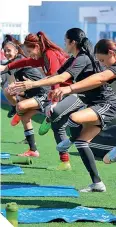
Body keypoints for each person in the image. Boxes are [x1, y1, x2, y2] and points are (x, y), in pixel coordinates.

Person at [48, 38, 116, 212]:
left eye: (102, 60)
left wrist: (69, 89)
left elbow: (101, 77)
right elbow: (95, 82)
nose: (103, 65)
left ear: (111, 53)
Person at [8, 28, 116, 192]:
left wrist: (32, 84)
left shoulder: (82, 58)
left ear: (72, 42)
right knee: (82, 142)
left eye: (65, 40)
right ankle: (97, 183)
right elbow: (55, 76)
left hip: (106, 104)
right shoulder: (74, 59)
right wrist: (31, 84)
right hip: (90, 102)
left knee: (73, 118)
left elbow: (61, 79)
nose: (64, 43)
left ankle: (71, 140)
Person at [0, 31, 79, 162]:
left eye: (30, 52)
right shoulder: (43, 56)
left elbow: (55, 78)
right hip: (57, 92)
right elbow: (26, 62)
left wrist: (54, 102)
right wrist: (6, 67)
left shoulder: (50, 54)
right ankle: (33, 150)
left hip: (65, 93)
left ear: (36, 47)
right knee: (25, 115)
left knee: (56, 121)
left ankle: (64, 159)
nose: (30, 55)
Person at [1, 34, 51, 156]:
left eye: (9, 50)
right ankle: (33, 150)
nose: (6, 53)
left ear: (17, 51)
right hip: (32, 94)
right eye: (4, 51)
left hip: (44, 94)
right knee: (24, 117)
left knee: (18, 102)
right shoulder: (14, 62)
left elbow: (6, 74)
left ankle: (50, 116)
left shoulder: (18, 61)